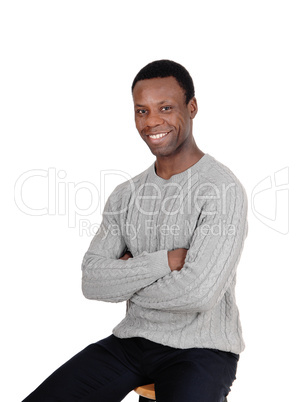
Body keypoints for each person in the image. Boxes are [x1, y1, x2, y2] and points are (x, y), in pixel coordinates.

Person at [23, 60, 248, 402]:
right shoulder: (125, 195)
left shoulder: (222, 189)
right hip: (132, 342)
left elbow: (199, 293)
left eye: (166, 108)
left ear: (192, 108)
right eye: (142, 110)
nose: (152, 121)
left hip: (202, 350)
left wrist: (127, 278)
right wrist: (165, 262)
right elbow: (92, 281)